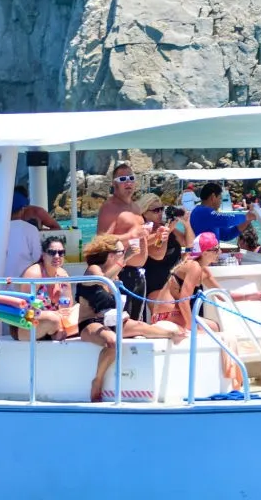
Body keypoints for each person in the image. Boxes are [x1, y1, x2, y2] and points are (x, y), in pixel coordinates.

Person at [78, 235, 186, 402]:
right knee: (113, 342)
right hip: (91, 323)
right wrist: (126, 258)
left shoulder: (116, 274)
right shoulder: (93, 269)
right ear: (111, 254)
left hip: (113, 320)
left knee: (148, 328)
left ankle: (176, 338)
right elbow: (104, 282)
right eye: (121, 251)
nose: (124, 254)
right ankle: (97, 381)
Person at [151, 232, 261, 331]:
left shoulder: (203, 271)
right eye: (216, 249)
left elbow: (222, 295)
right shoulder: (194, 267)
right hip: (165, 315)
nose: (220, 252)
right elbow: (183, 301)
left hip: (173, 314)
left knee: (214, 327)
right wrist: (192, 327)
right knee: (212, 330)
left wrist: (249, 296)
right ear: (204, 252)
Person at [96, 163, 147, 320]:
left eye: (131, 178)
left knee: (137, 323)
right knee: (123, 326)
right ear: (114, 183)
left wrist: (155, 237)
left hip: (139, 274)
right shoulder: (109, 208)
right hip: (121, 273)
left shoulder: (135, 207)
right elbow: (100, 243)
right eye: (123, 179)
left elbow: (138, 238)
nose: (128, 182)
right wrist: (131, 235)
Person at [15, 235, 77, 341]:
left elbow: (66, 309)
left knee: (81, 313)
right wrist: (55, 314)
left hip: (54, 326)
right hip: (25, 325)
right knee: (51, 319)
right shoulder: (34, 274)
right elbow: (24, 310)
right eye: (52, 252)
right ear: (43, 255)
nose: (57, 256)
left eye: (61, 253)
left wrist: (64, 316)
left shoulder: (63, 276)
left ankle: (57, 332)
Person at [138, 193, 195, 303]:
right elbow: (159, 254)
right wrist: (168, 231)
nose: (160, 213)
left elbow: (188, 244)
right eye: (156, 210)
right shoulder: (144, 232)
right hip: (156, 283)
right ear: (144, 212)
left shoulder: (165, 227)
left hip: (173, 280)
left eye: (161, 209)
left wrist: (187, 224)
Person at [190, 182, 256, 242]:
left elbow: (227, 235)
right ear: (213, 197)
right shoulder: (203, 212)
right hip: (203, 254)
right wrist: (246, 217)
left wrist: (247, 220)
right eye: (220, 198)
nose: (220, 202)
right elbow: (226, 220)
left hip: (207, 254)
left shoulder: (200, 211)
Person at [4, 195, 43, 279]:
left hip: (2, 282)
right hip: (25, 280)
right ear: (22, 210)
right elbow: (37, 256)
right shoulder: (31, 229)